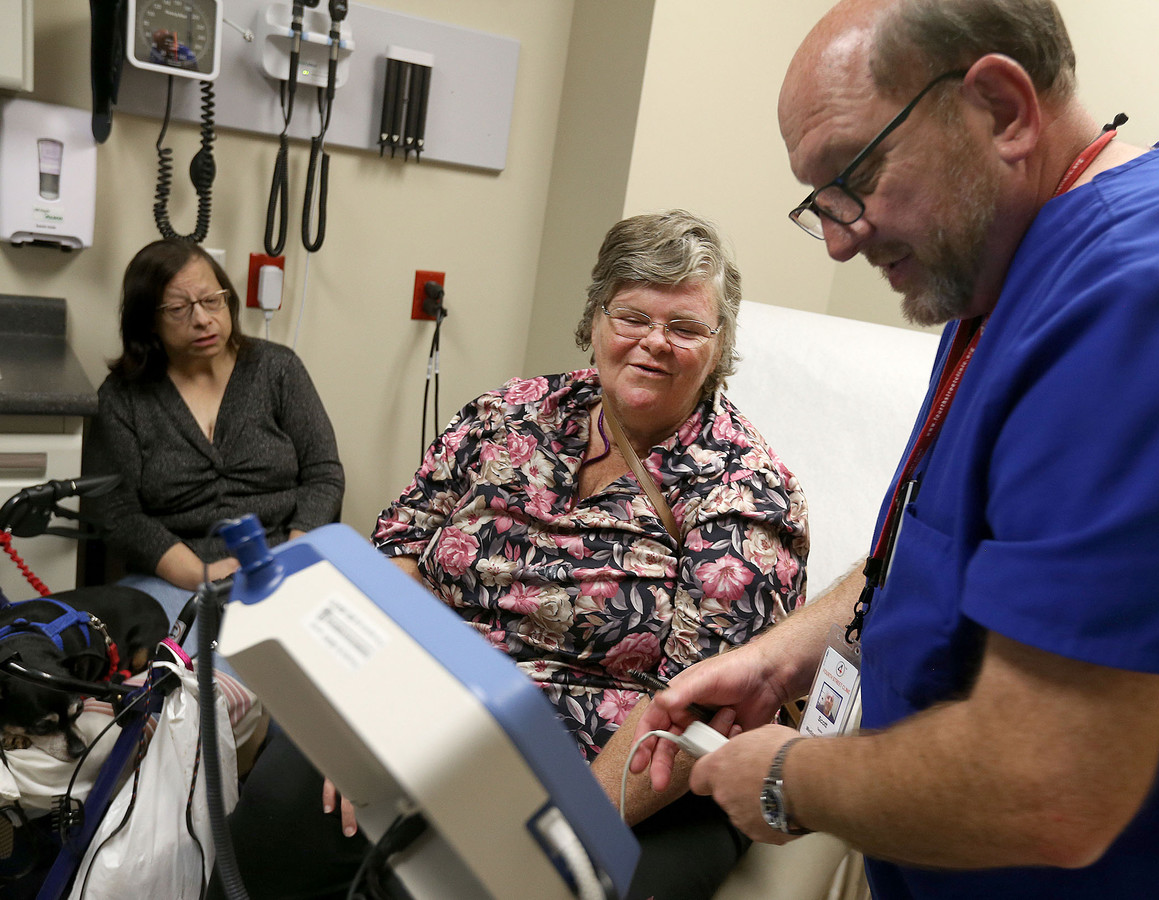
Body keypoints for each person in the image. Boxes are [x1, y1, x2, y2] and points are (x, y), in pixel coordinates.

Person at [634, 2, 1159, 898]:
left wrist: (785, 778)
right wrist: (791, 651)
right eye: (821, 202)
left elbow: (1046, 786)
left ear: (1002, 107)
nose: (840, 239)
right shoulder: (1010, 280)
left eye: (855, 176)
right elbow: (953, 549)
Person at [217, 210, 810, 900]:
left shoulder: (747, 495)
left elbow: (695, 707)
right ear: (594, 319)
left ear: (719, 346)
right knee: (281, 813)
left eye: (684, 328)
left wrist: (554, 834)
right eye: (632, 316)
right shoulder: (506, 416)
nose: (654, 343)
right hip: (439, 709)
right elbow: (400, 549)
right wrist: (376, 714)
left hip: (625, 768)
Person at [88, 239, 344, 656]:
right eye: (178, 309)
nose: (203, 319)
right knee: (190, 679)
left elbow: (324, 474)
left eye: (212, 300)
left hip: (282, 558)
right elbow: (120, 515)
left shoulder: (277, 369)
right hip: (175, 576)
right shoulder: (123, 398)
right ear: (148, 321)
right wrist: (201, 573)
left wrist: (295, 557)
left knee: (312, 667)